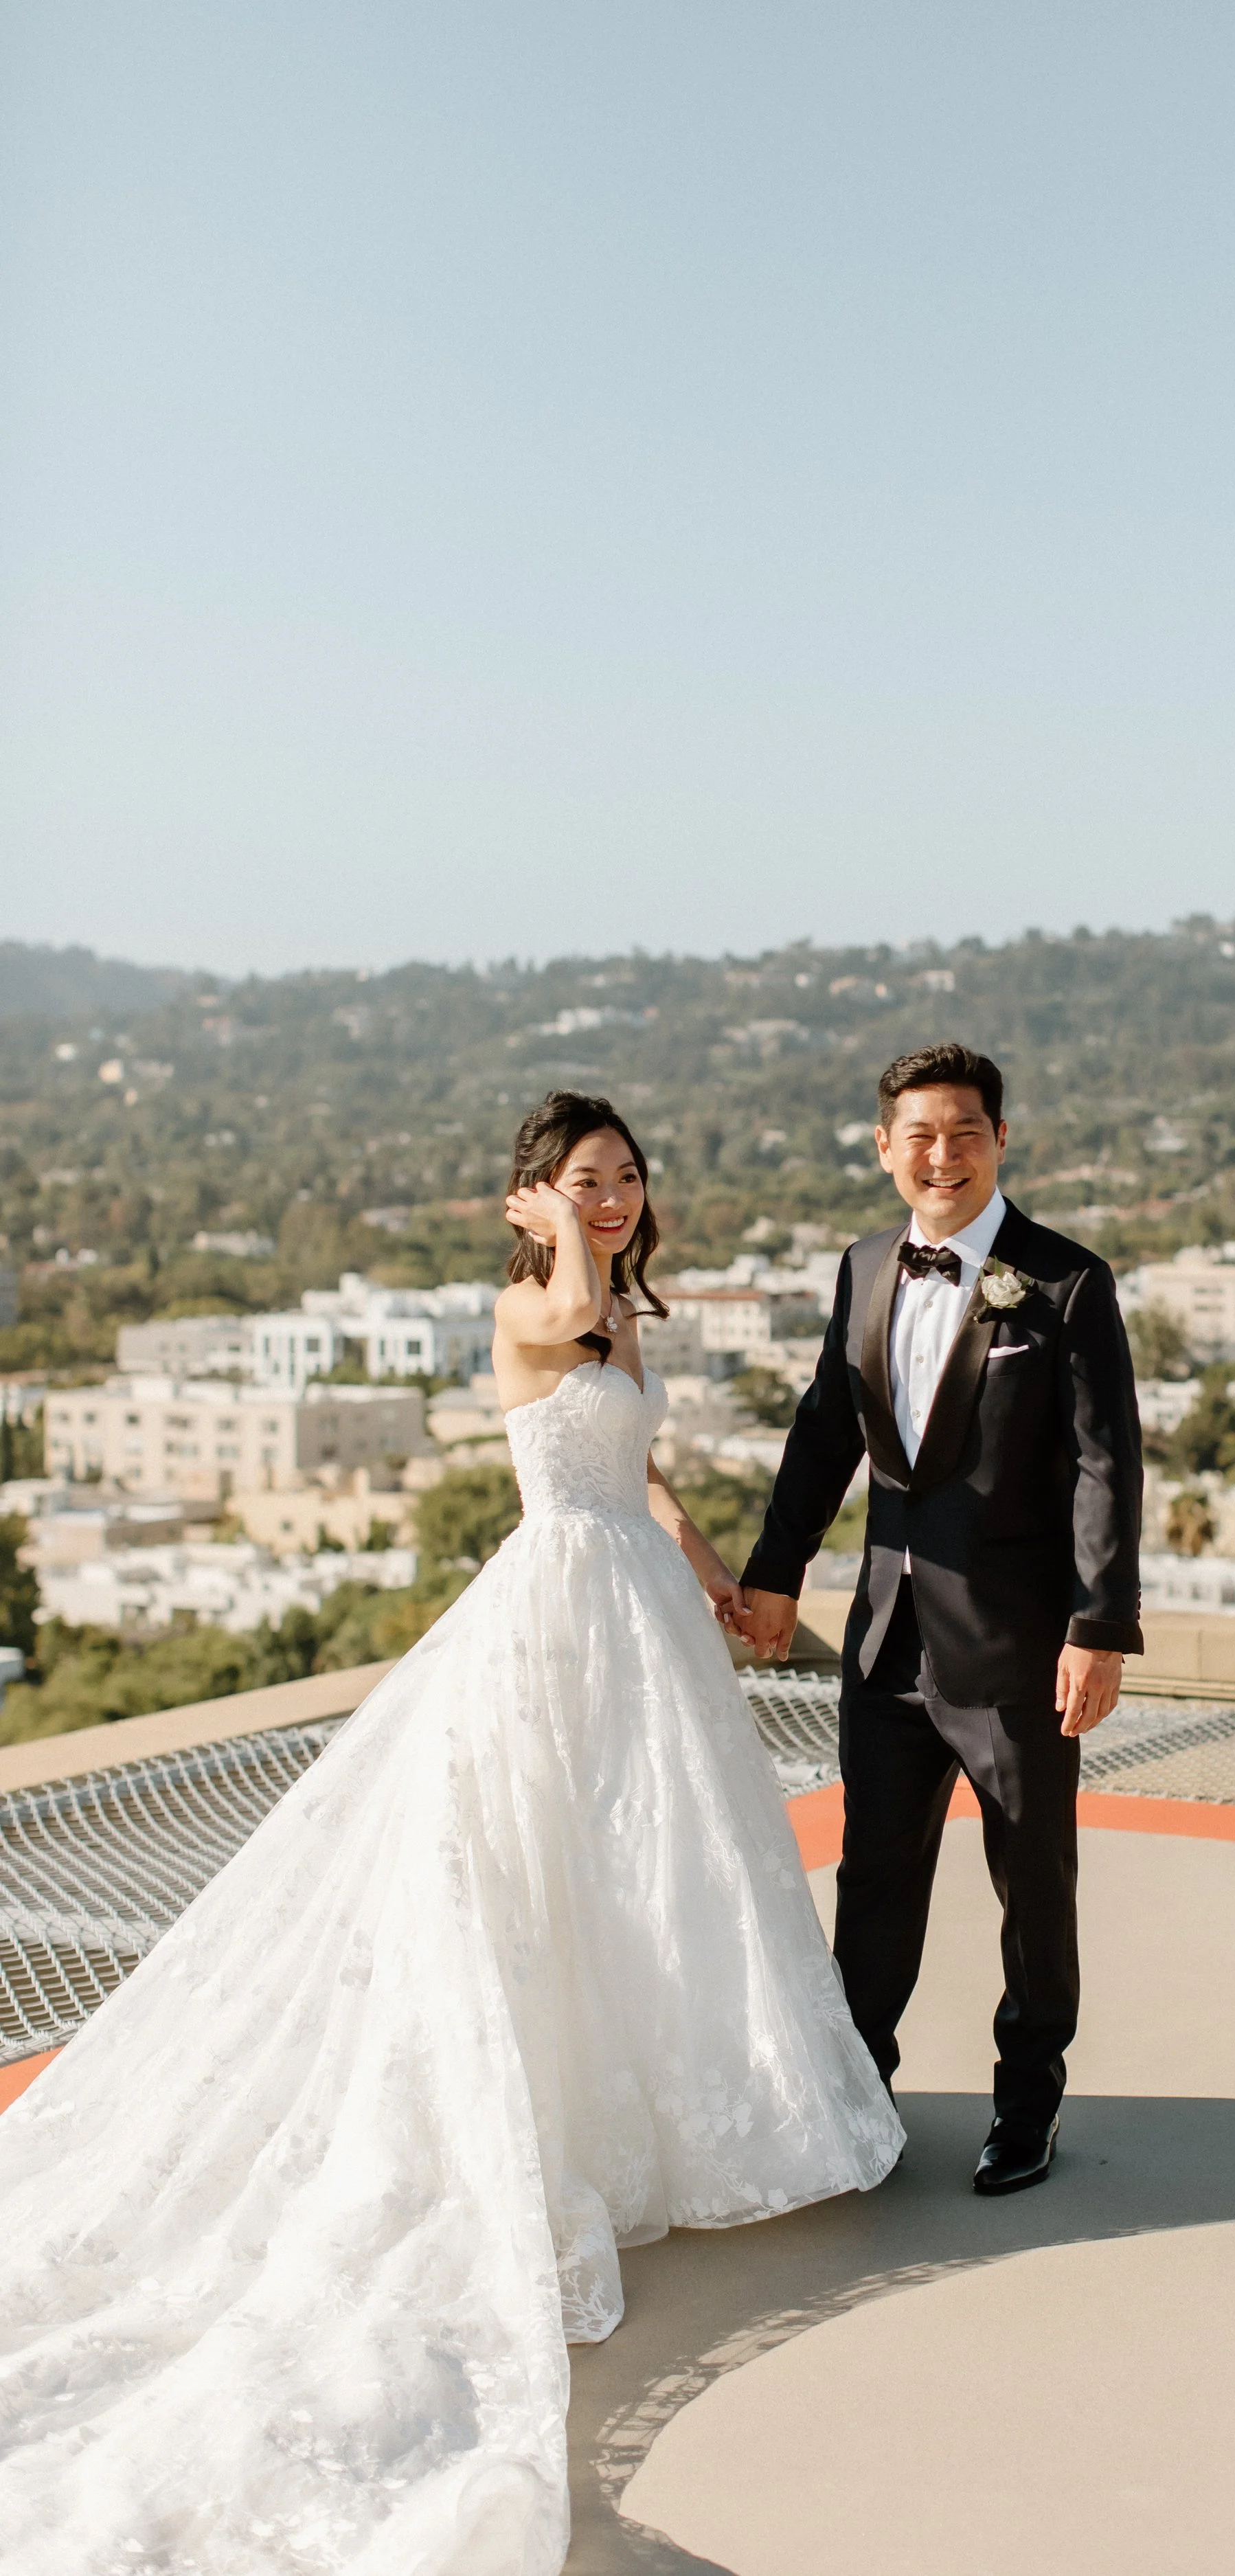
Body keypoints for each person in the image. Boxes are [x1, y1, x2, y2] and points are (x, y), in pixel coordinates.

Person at [0, 1092, 901, 2576]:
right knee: (542, 1870)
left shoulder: (621, 1313)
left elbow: (644, 1474)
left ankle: (672, 2133)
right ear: (527, 1201)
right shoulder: (540, 1302)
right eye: (580, 1180)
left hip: (639, 1613)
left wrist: (723, 1584)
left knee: (650, 1874)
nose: (609, 1200)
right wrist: (557, 1232)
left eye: (624, 1179)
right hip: (554, 1611)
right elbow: (569, 1338)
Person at [742, 1042, 1143, 2196]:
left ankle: (1028, 2105)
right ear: (883, 1148)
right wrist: (777, 1571)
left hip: (1020, 1647)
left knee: (1033, 1882)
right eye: (918, 1133)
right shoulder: (865, 1265)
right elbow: (828, 1429)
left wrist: (1098, 1628)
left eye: (965, 1131)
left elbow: (1106, 1469)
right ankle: (857, 2099)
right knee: (872, 1880)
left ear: (1001, 1140)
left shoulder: (1067, 1282)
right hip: (884, 1637)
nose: (942, 1154)